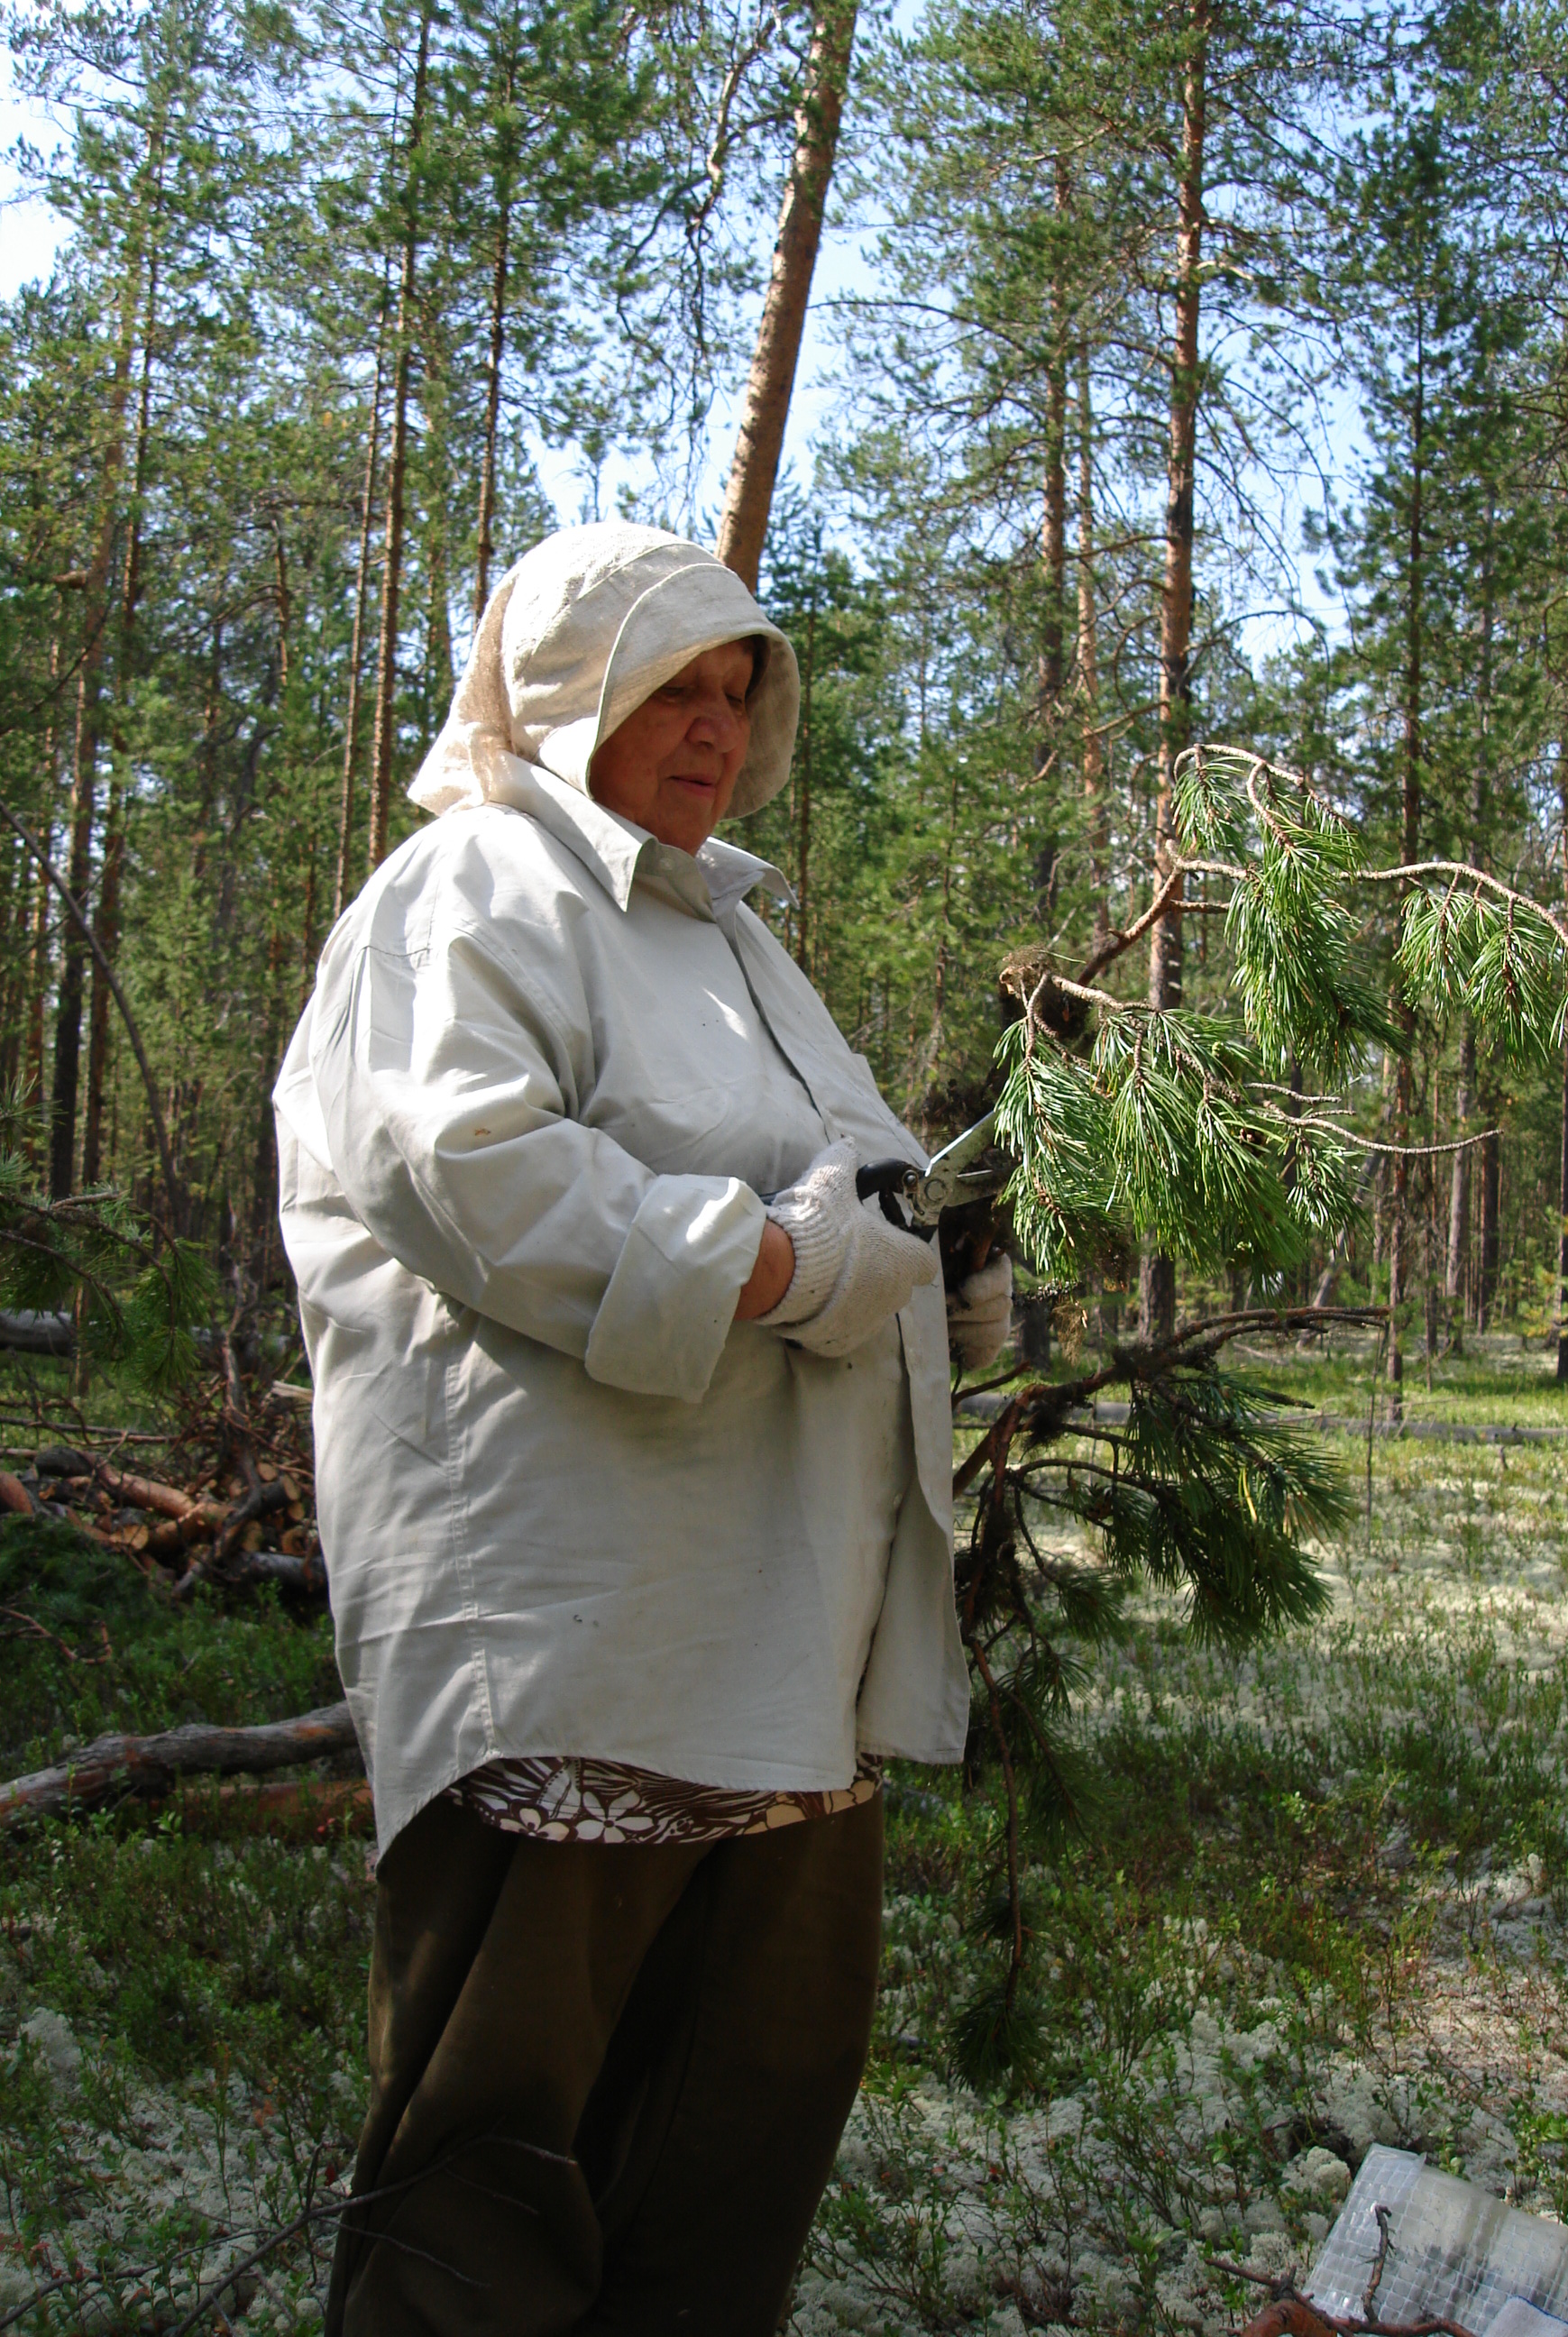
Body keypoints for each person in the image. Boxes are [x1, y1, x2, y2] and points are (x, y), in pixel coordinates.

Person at [273, 522, 1012, 2337]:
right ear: (552, 694)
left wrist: (941, 1269)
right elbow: (473, 1177)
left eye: (736, 687)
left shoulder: (735, 939)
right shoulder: (467, 895)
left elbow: (856, 1211)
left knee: (726, 2179)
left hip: (782, 1663)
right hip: (583, 1661)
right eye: (666, 685)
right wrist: (774, 1262)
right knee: (494, 2194)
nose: (711, 725)